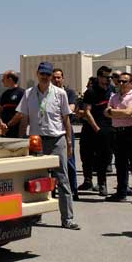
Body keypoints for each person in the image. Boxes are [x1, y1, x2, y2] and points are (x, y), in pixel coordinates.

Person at [11, 61, 79, 229]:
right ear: (37, 74)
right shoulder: (28, 94)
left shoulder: (60, 93)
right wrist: (21, 142)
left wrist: (70, 142)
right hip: (36, 141)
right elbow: (24, 119)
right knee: (36, 180)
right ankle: (35, 215)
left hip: (57, 140)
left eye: (48, 74)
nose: (45, 77)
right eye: (43, 73)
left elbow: (66, 119)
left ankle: (67, 219)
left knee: (63, 180)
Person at [106, 72, 132, 203]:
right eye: (119, 81)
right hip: (118, 132)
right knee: (120, 163)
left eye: (124, 81)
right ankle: (121, 192)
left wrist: (114, 112)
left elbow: (129, 112)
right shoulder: (114, 96)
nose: (121, 84)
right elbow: (106, 112)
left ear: (131, 84)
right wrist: (120, 113)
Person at [81, 66, 115, 197]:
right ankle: (95, 183)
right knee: (92, 157)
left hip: (109, 128)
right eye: (107, 77)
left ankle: (110, 184)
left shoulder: (112, 90)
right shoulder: (91, 92)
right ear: (100, 77)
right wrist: (96, 128)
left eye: (110, 77)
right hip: (94, 129)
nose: (109, 79)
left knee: (106, 157)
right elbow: (87, 112)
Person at [52, 67, 80, 200]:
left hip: (66, 130)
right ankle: (52, 192)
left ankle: (74, 190)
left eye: (58, 77)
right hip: (52, 131)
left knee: (69, 161)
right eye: (54, 77)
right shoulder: (47, 93)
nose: (56, 80)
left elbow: (70, 109)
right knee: (51, 164)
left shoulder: (69, 92)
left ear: (63, 78)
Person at [77, 77, 97, 192]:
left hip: (97, 129)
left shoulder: (100, 96)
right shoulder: (84, 97)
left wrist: (86, 113)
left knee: (99, 157)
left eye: (89, 85)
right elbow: (78, 112)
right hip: (86, 129)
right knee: (85, 155)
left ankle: (100, 182)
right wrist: (86, 113)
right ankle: (87, 181)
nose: (87, 87)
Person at [0, 71, 24, 138]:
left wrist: (8, 125)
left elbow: (20, 113)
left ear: (10, 79)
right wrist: (1, 124)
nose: (2, 80)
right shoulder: (4, 94)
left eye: (3, 78)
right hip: (4, 130)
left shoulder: (22, 93)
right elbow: (0, 111)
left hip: (16, 131)